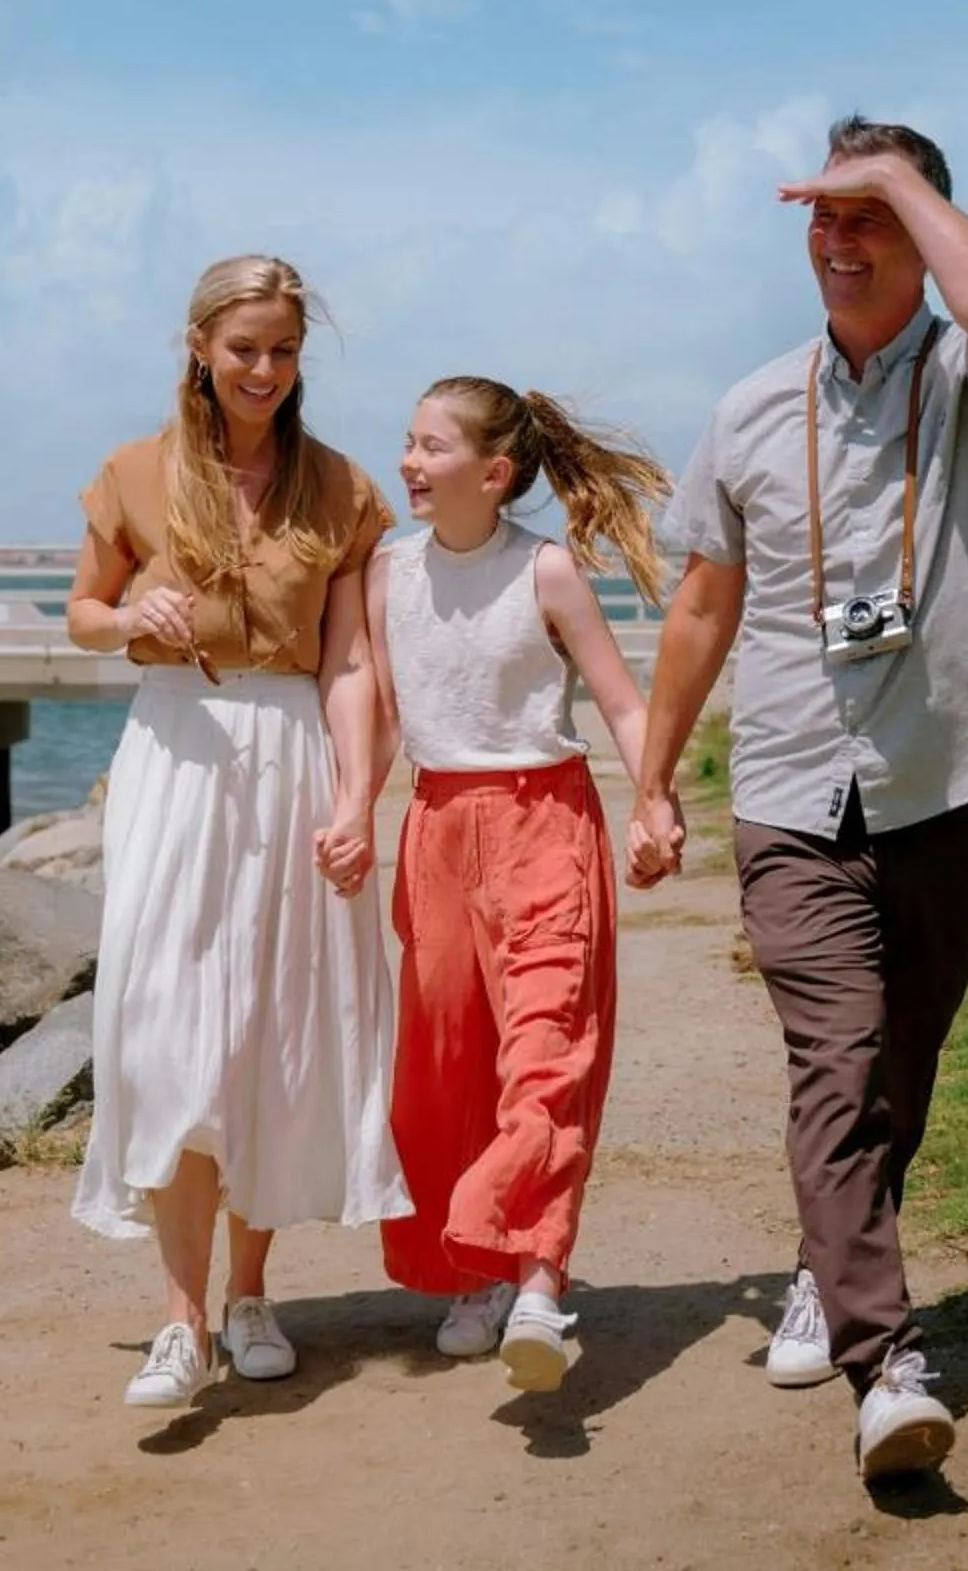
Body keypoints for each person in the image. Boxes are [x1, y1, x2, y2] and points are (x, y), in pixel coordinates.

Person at [627, 116, 968, 1483]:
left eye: (869, 215)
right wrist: (650, 779)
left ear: (922, 225)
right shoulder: (753, 406)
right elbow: (702, 603)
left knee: (900, 1065)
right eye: (824, 215)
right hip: (794, 782)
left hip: (943, 774)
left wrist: (902, 187)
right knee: (838, 1057)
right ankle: (888, 1361)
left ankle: (828, 1259)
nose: (839, 239)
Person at [65, 253, 405, 1411]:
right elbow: (81, 611)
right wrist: (127, 617)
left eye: (284, 349)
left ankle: (252, 1295)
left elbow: (353, 658)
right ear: (201, 346)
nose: (265, 368)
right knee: (162, 1028)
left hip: (293, 753)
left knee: (273, 1028)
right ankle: (181, 1319)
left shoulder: (343, 489)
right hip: (174, 753)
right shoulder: (135, 472)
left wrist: (359, 794)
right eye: (245, 346)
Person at [360, 378, 668, 1393]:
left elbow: (622, 704)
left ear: (493, 473)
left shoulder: (545, 572)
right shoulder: (386, 572)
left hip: (545, 822)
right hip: (438, 826)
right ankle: (476, 1271)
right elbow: (377, 709)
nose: (409, 460)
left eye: (432, 446)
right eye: (407, 441)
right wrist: (348, 807)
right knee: (448, 1063)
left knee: (545, 1052)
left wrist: (654, 800)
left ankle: (540, 1280)